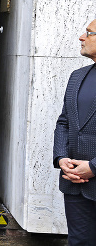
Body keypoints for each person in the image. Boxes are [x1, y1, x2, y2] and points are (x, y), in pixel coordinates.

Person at [53, 19, 96, 246]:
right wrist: (61, 158)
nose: (82, 37)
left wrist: (93, 167)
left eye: (89, 33)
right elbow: (64, 122)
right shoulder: (77, 76)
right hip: (75, 184)